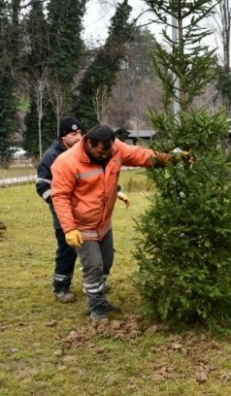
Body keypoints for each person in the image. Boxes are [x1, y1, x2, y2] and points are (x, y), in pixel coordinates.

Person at [50, 124, 183, 321]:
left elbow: (141, 155)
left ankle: (100, 297)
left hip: (104, 221)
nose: (107, 155)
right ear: (90, 144)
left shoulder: (114, 149)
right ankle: (96, 307)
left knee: (106, 261)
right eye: (103, 152)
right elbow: (60, 196)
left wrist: (170, 159)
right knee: (93, 265)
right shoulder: (66, 163)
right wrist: (69, 229)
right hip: (82, 224)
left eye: (110, 151)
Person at [36, 116, 84, 303]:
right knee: (67, 249)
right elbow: (42, 185)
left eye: (80, 133)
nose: (79, 137)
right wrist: (59, 204)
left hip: (84, 210)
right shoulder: (51, 157)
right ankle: (61, 287)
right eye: (74, 134)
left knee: (92, 245)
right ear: (63, 136)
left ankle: (95, 281)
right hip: (62, 212)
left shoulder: (82, 152)